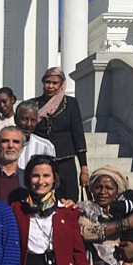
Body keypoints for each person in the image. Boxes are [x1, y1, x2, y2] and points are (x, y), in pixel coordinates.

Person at [32, 67, 89, 201]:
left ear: (61, 84)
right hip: (43, 162)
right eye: (47, 82)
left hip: (66, 162)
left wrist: (84, 169)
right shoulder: (34, 104)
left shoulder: (70, 104)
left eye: (54, 83)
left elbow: (78, 134)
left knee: (69, 201)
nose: (50, 86)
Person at [14, 99, 56, 170]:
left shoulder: (46, 147)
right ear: (15, 119)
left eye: (33, 120)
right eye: (24, 119)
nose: (28, 124)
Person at [0, 126, 26, 203]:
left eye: (16, 141)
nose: (10, 145)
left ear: (22, 148)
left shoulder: (28, 178)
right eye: (5, 141)